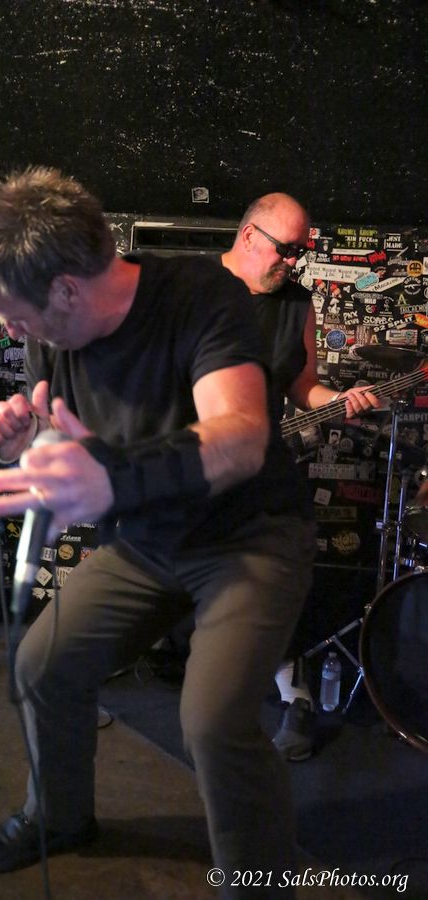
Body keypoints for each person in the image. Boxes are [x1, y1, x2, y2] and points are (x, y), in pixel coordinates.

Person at [0, 164, 317, 896]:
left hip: (248, 537)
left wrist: (115, 477)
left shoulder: (200, 294)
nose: (8, 330)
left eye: (12, 314)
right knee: (41, 665)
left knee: (212, 720)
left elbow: (242, 437)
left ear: (66, 289)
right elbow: (70, 437)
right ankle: (58, 817)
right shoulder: (55, 336)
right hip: (150, 542)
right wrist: (28, 441)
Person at [221, 192, 381, 760]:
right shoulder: (192, 289)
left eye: (299, 252)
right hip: (188, 466)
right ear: (249, 236)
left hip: (260, 467)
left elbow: (302, 386)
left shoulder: (296, 304)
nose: (293, 262)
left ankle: (296, 697)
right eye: (285, 250)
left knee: (272, 579)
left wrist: (339, 400)